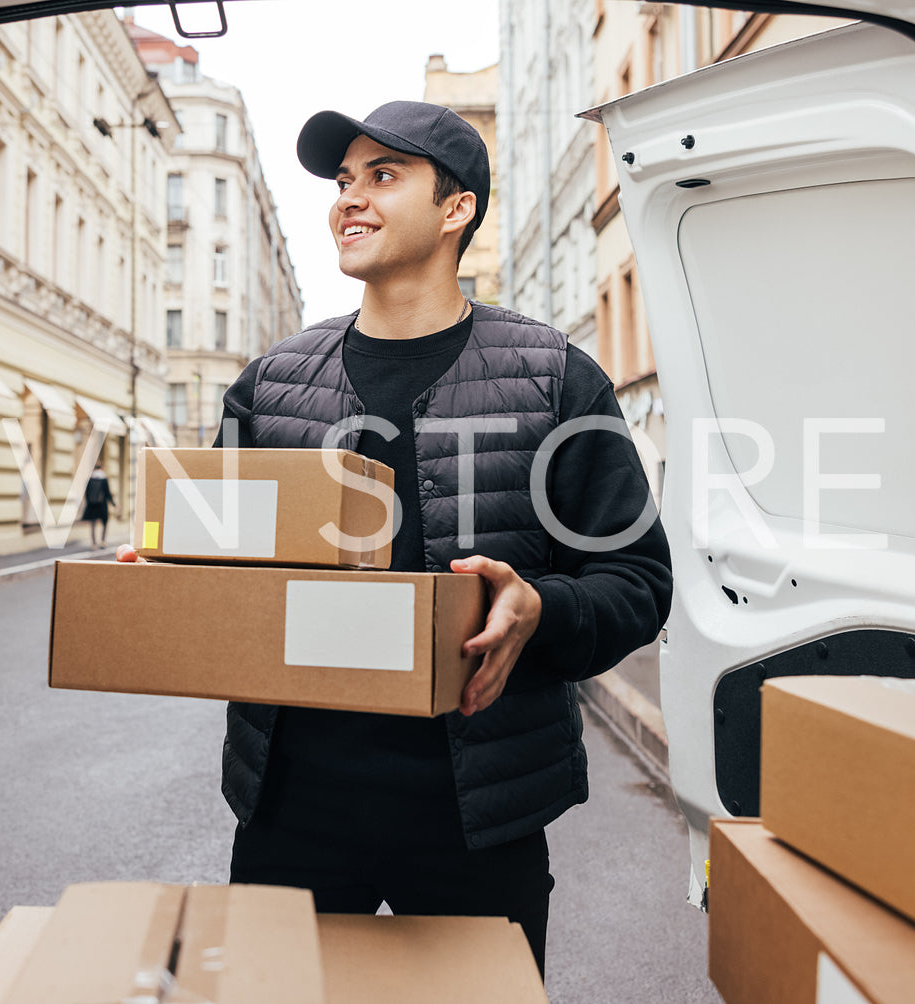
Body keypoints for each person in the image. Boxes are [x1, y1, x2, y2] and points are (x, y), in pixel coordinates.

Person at [125, 101, 672, 978]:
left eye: (382, 176)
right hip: (290, 809)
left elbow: (637, 581)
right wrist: (162, 574)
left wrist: (541, 608)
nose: (349, 199)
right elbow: (215, 559)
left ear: (454, 208)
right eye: (343, 182)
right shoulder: (271, 385)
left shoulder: (553, 378)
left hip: (476, 812)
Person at [82, 463, 115, 548]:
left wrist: (89, 503)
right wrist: (114, 504)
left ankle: (94, 543)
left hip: (92, 505)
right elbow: (107, 493)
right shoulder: (104, 479)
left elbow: (86, 493)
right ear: (102, 469)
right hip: (102, 505)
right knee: (104, 523)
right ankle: (103, 541)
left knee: (93, 524)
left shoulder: (90, 479)